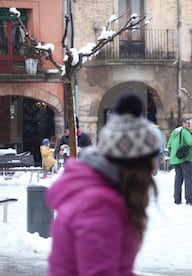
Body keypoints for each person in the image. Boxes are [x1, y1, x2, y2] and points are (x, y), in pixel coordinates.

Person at [46, 94, 161, 275]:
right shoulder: (99, 207)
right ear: (135, 164)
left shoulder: (101, 195)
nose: (155, 166)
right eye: (152, 159)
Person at [166, 118, 192, 205]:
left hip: (176, 159)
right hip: (186, 158)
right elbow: (190, 142)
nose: (189, 124)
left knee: (178, 179)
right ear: (183, 124)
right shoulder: (185, 131)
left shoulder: (174, 132)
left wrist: (175, 152)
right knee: (188, 179)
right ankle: (189, 199)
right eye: (188, 123)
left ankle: (177, 199)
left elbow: (169, 145)